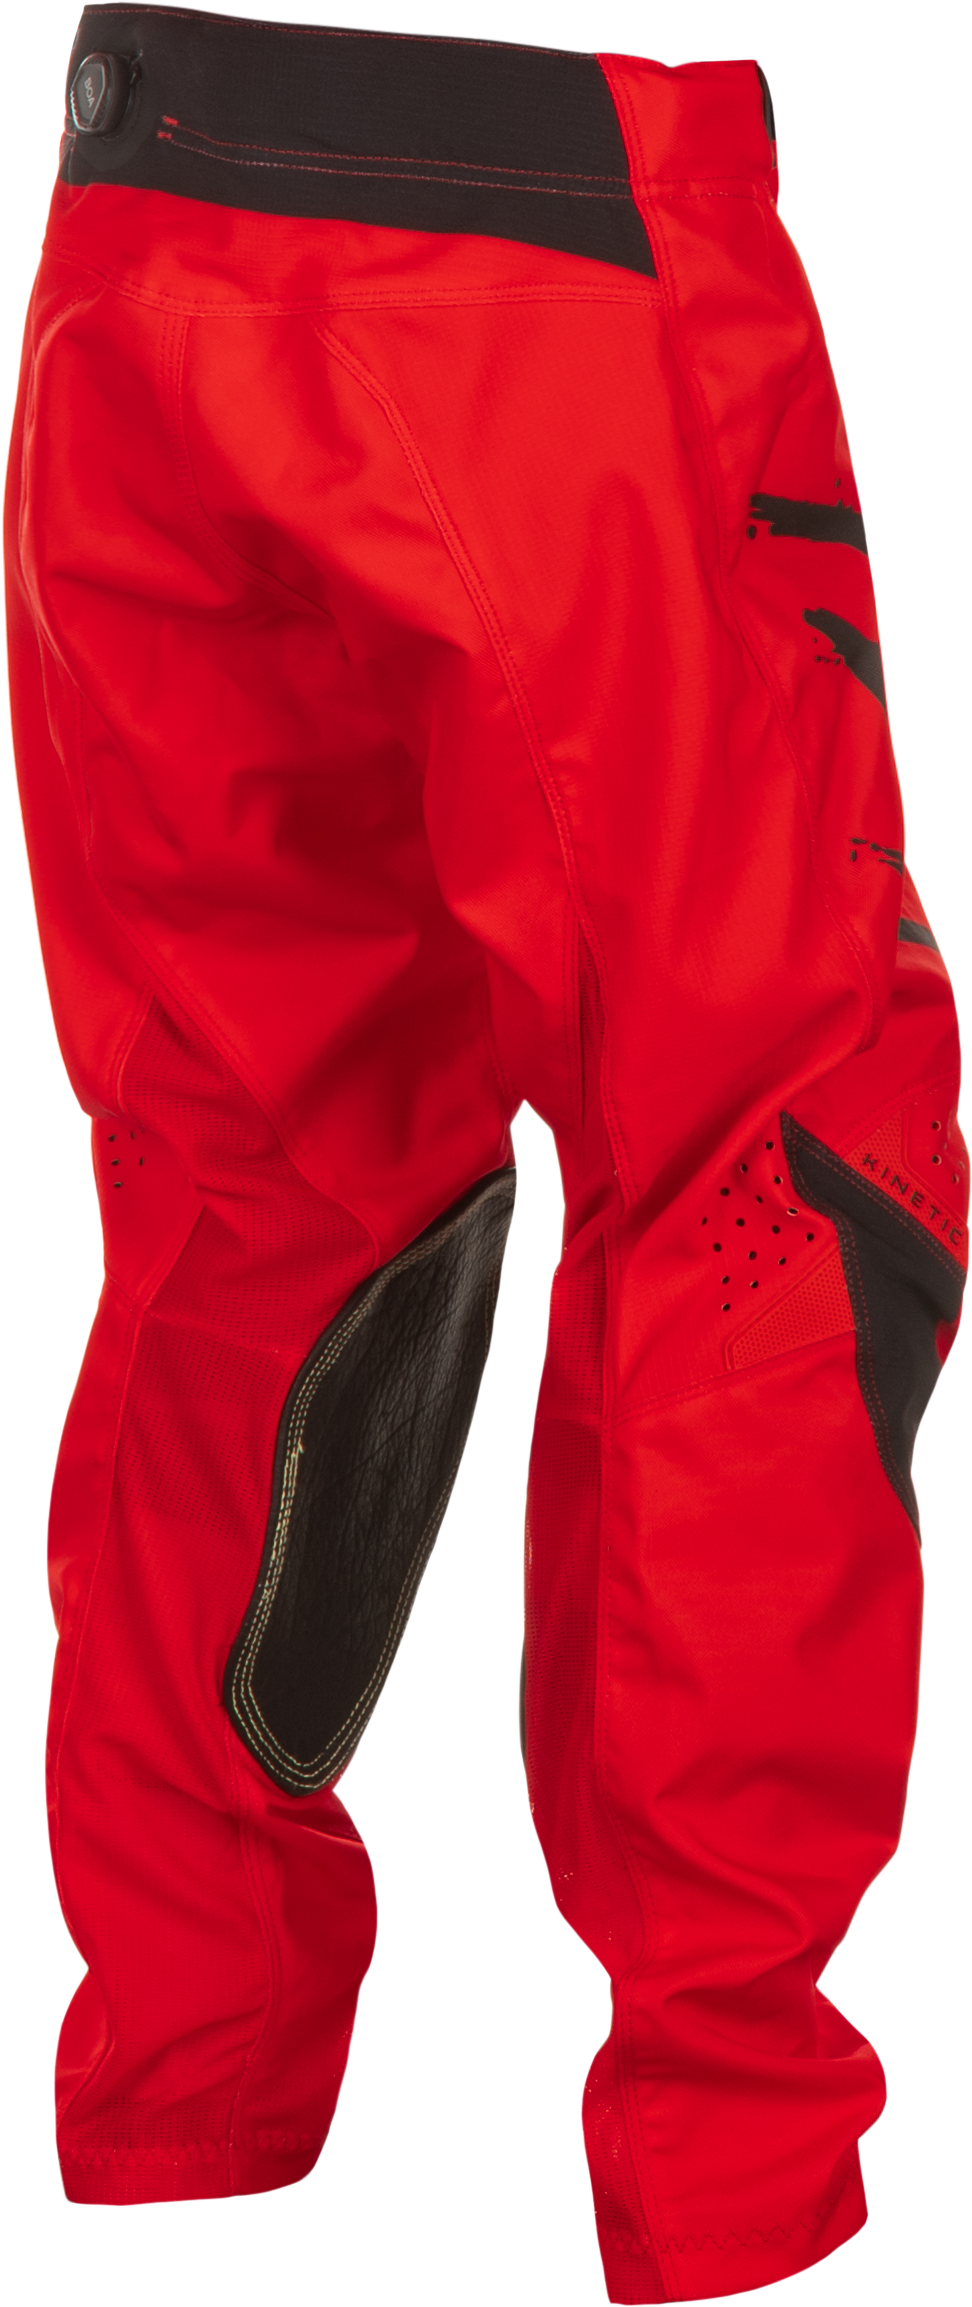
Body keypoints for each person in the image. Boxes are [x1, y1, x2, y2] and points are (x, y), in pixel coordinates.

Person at [5, 7, 967, 2302]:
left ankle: (188, 2154)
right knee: (765, 1183)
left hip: (142, 226)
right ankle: (724, 2194)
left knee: (251, 1199)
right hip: (547, 235)